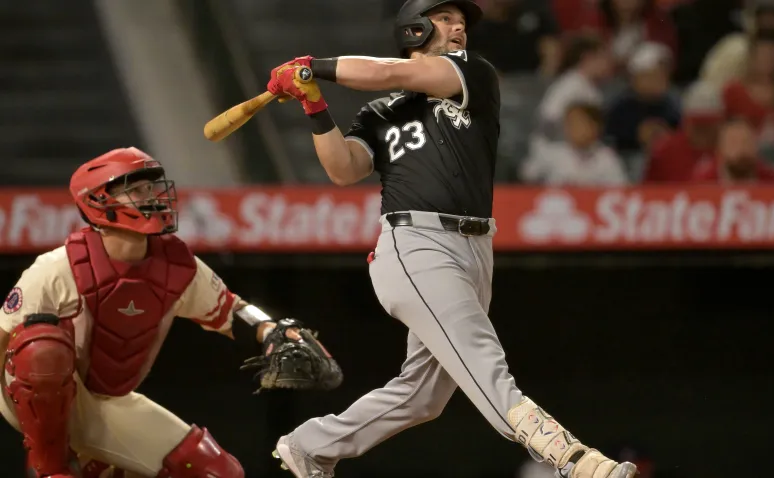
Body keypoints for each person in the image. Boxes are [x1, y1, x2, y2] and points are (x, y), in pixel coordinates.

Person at [262, 1, 638, 477]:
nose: (459, 25)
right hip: (415, 242)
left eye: (460, 20)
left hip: (476, 247)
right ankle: (574, 461)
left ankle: (309, 445)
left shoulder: (472, 73)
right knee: (484, 361)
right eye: (445, 18)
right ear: (414, 29)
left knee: (422, 396)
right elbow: (344, 169)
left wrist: (312, 67)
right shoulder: (379, 112)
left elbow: (383, 73)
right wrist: (312, 102)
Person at [0, 147, 342, 478]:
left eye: (151, 187)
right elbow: (4, 339)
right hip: (37, 400)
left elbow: (230, 311)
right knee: (41, 348)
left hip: (105, 400)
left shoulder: (176, 266)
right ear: (99, 201)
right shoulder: (56, 268)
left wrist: (269, 330)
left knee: (220, 473)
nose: (151, 196)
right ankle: (51, 468)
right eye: (135, 190)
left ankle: (95, 462)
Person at [520, 102, 628, 185]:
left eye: (579, 123)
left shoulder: (607, 158)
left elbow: (620, 190)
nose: (572, 128)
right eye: (569, 123)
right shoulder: (551, 153)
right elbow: (527, 176)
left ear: (595, 127)